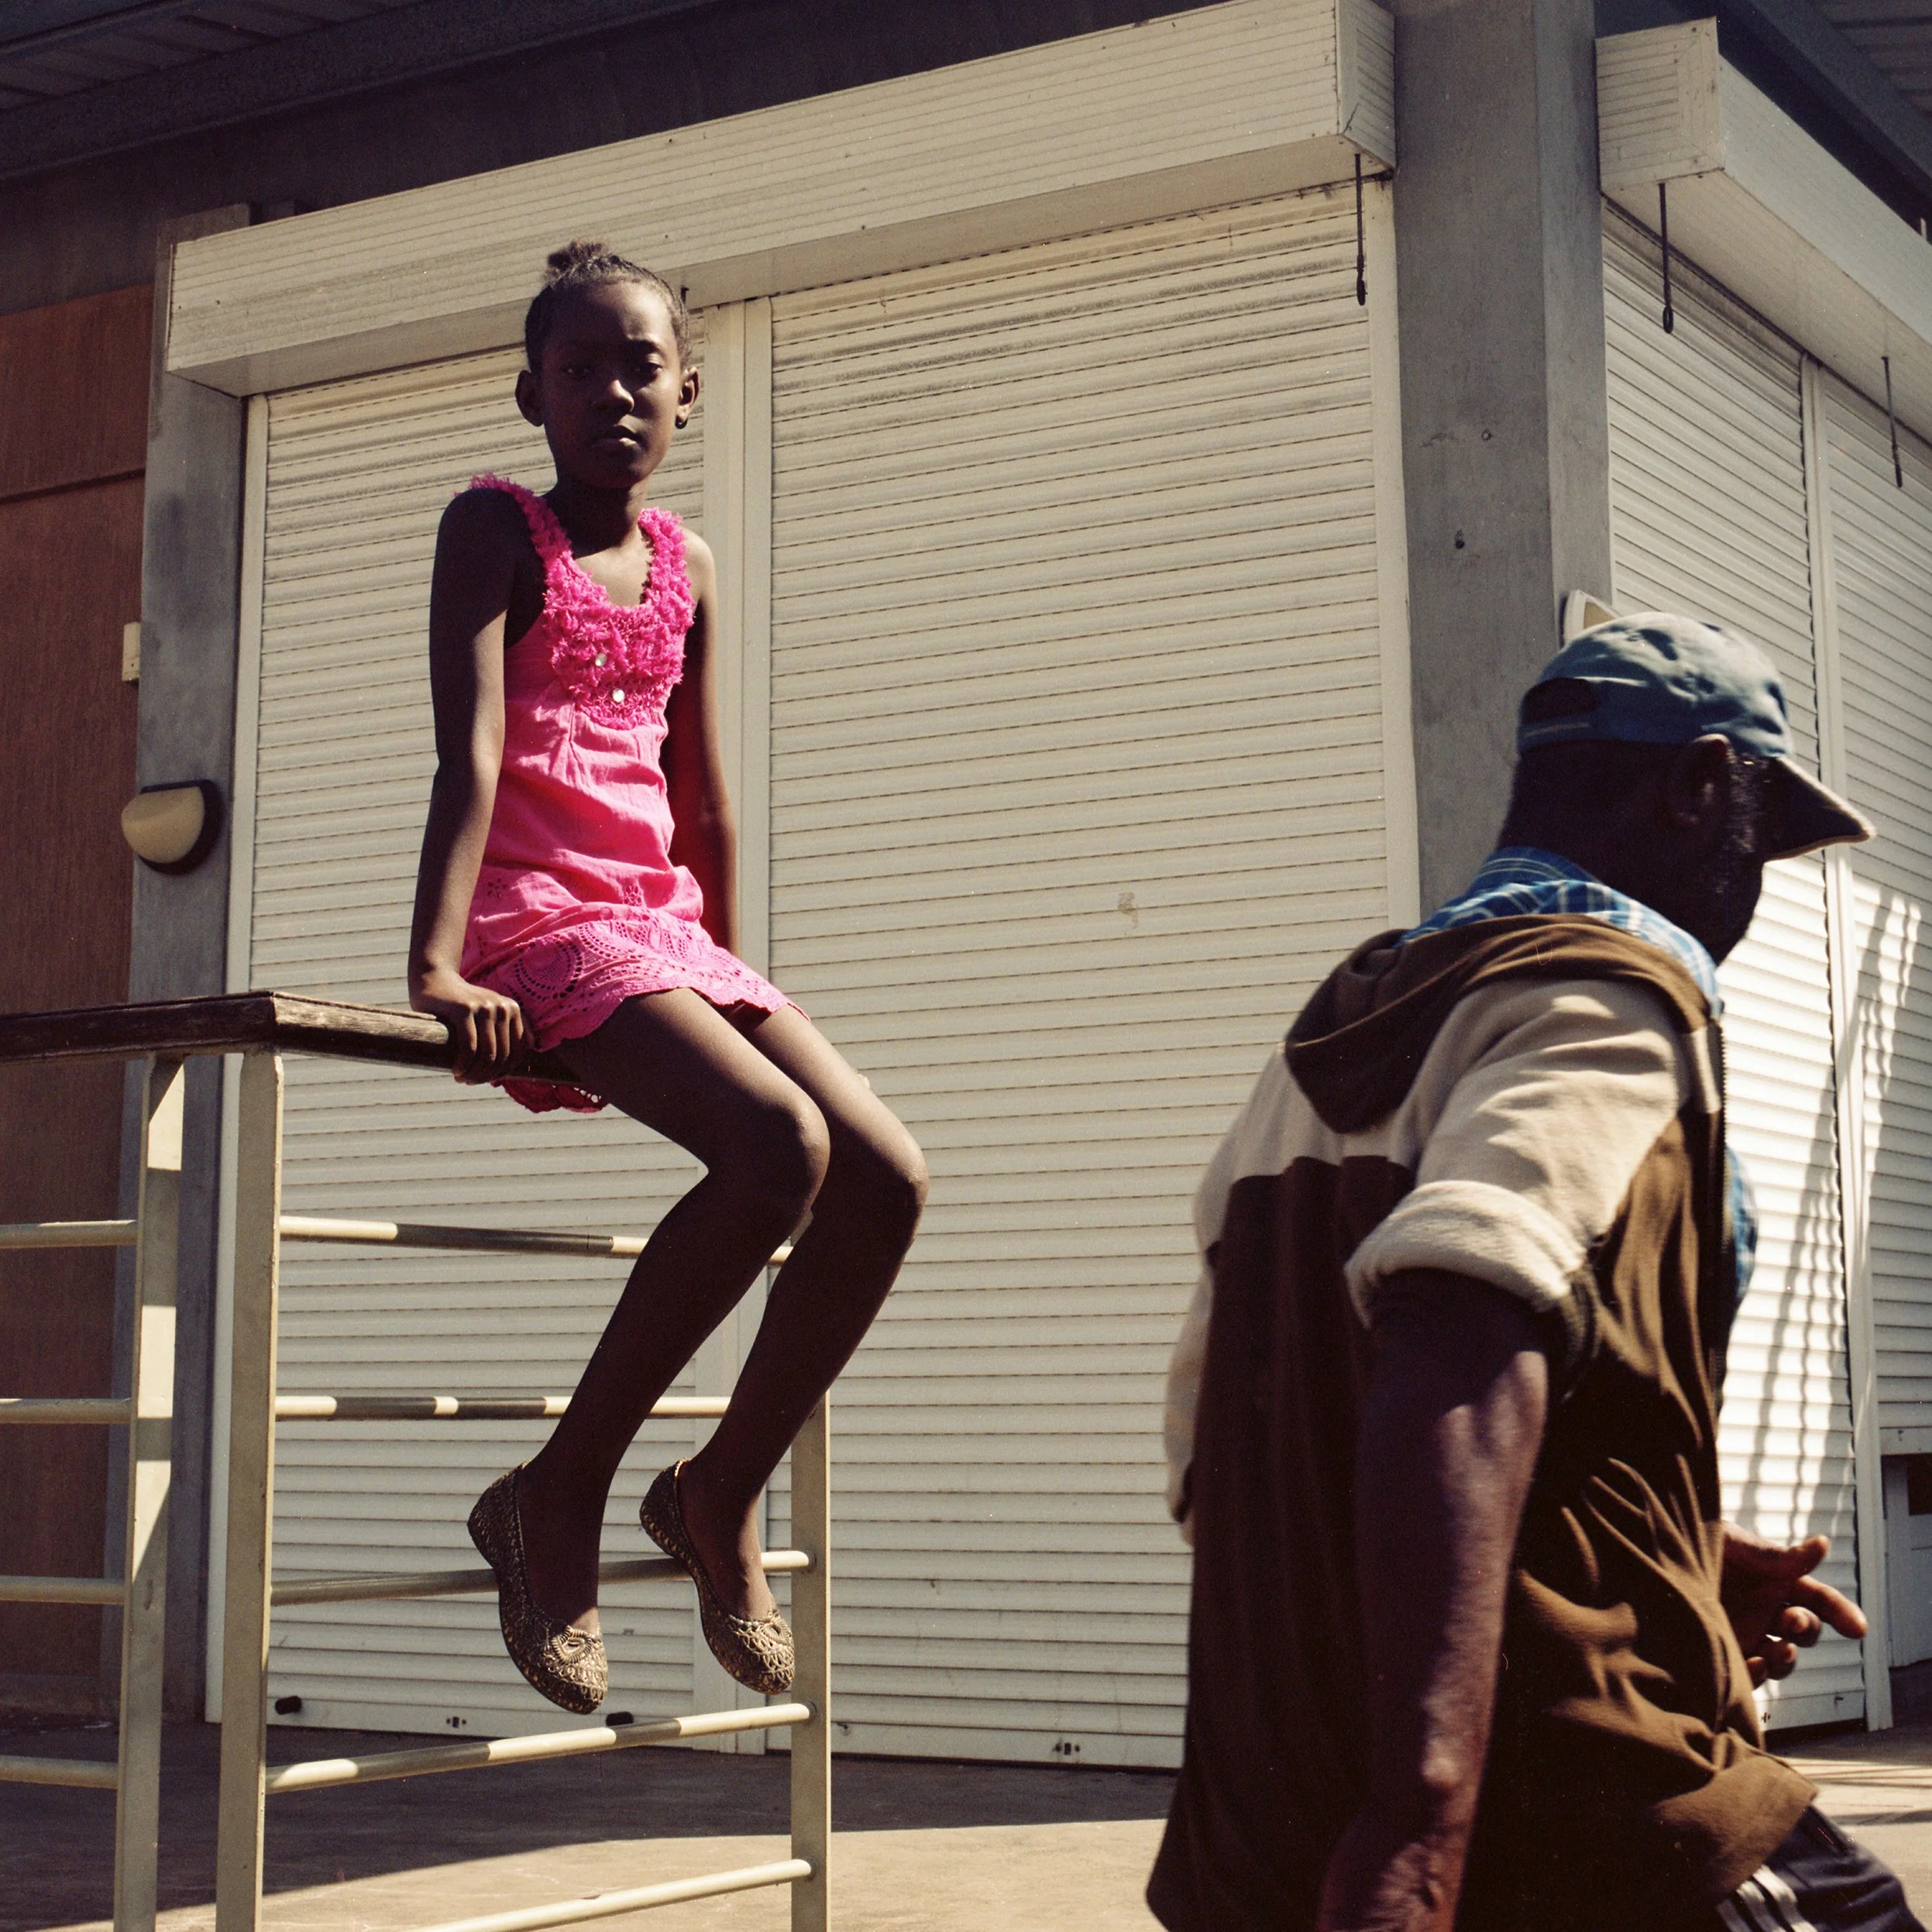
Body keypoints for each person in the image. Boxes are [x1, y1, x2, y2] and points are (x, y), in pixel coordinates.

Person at [1150, 614, 1918, 1932]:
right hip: (1573, 1797)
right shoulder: (1600, 996)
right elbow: (1460, 1325)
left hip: (1266, 1814)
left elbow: (1215, 1453)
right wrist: (1416, 1820)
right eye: (1759, 837)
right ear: (1696, 787)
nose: (1752, 888)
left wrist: (1652, 1546)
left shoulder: (1327, 1043)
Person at [406, 240, 926, 1715]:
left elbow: (702, 794)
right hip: (533, 915)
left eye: (641, 366)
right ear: (532, 393)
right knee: (781, 1149)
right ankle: (558, 1492)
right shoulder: (493, 527)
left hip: (659, 922)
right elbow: (477, 752)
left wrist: (737, 973)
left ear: (687, 392)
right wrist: (436, 962)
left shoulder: (687, 562)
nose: (613, 391)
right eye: (581, 368)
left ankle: (715, 1491)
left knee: (884, 1173)